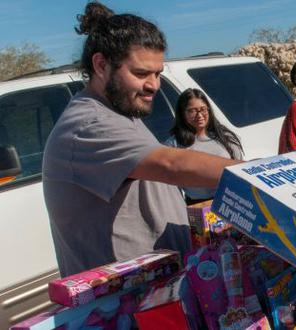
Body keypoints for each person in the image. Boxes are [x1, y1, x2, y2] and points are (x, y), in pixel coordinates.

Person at [42, 2, 240, 277]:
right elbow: (171, 164)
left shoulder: (121, 113)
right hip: (126, 306)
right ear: (101, 65)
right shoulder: (88, 123)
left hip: (158, 290)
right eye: (141, 73)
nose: (154, 85)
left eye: (158, 73)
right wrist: (263, 171)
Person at [165, 88, 243, 204]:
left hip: (230, 202)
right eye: (192, 111)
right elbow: (170, 186)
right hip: (198, 205)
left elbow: (241, 172)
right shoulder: (174, 144)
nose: (199, 115)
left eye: (203, 109)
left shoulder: (225, 136)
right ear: (182, 114)